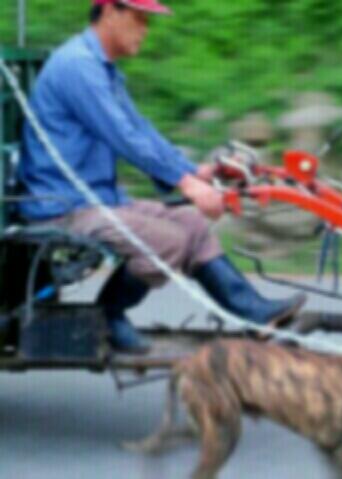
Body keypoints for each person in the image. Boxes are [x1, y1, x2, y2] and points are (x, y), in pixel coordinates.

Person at [18, 0, 306, 354]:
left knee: (193, 225)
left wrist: (192, 172)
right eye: (139, 18)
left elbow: (142, 129)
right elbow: (125, 138)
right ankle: (108, 316)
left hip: (98, 198)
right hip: (65, 207)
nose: (145, 28)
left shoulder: (102, 69)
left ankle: (253, 312)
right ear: (110, 12)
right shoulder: (78, 67)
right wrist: (186, 185)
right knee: (168, 241)